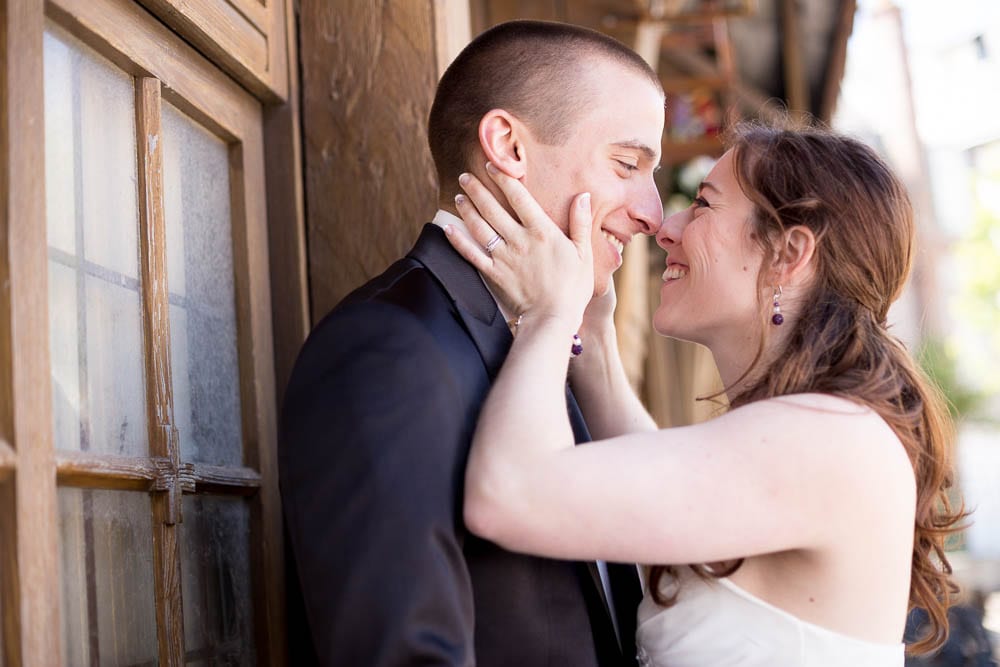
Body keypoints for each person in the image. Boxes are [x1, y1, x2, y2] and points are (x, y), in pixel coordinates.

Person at [443, 121, 967, 667]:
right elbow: (662, 496)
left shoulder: (826, 439)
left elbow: (510, 495)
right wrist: (591, 332)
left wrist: (547, 314)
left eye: (703, 206)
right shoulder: (829, 430)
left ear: (789, 253)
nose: (666, 227)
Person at [279, 19, 665, 667]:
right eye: (627, 164)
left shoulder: (548, 340)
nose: (653, 213)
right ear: (508, 146)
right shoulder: (390, 351)